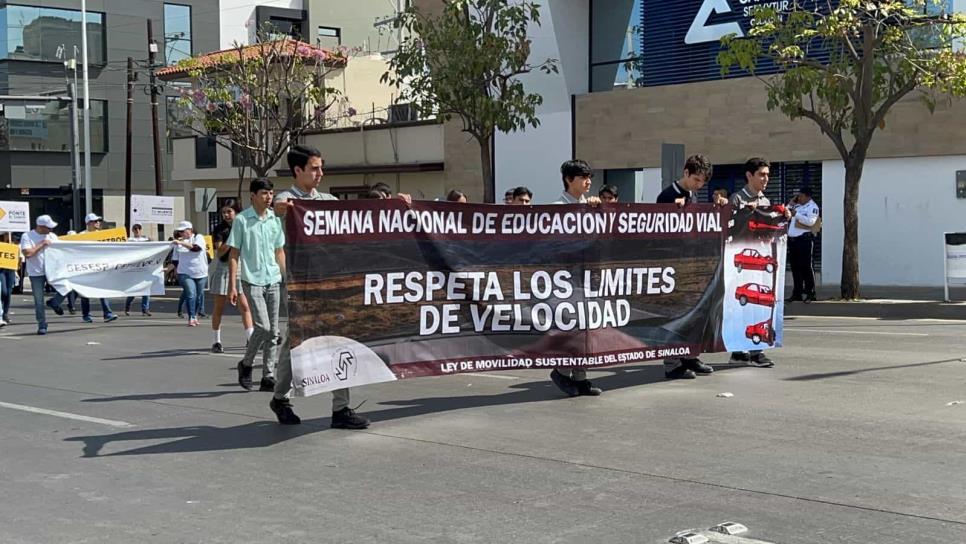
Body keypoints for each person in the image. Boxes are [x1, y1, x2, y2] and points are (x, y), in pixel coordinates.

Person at [269, 144, 370, 429]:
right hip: (301, 286)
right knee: (296, 343)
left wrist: (395, 205)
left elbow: (358, 220)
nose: (320, 173)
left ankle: (341, 409)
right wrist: (281, 208)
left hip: (331, 282)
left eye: (321, 167)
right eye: (314, 168)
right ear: (298, 170)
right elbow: (277, 208)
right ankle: (280, 397)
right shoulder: (288, 200)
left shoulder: (328, 199)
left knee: (339, 339)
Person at [655, 154, 722, 380]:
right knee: (674, 316)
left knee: (694, 314)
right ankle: (672, 363)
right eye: (696, 180)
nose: (698, 185)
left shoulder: (693, 196)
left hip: (691, 264)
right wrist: (673, 211)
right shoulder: (667, 196)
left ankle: (690, 355)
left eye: (702, 182)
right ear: (686, 173)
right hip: (673, 265)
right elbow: (658, 229)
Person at [548, 159, 603, 398]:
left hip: (586, 277)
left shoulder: (591, 205)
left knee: (586, 329)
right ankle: (561, 371)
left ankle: (581, 377)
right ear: (569, 180)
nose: (588, 181)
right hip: (565, 279)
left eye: (589, 176)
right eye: (582, 177)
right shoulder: (557, 208)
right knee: (569, 328)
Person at [729, 157, 790, 368]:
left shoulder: (765, 202)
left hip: (761, 260)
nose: (766, 179)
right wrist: (746, 210)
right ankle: (741, 349)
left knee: (761, 304)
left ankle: (755, 351)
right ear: (749, 176)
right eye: (761, 174)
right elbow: (730, 227)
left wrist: (783, 217)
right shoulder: (736, 199)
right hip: (741, 260)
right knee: (741, 307)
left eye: (767, 174)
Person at [229, 178, 285, 396]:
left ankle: (268, 376)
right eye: (264, 193)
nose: (269, 197)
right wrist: (233, 285)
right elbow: (234, 254)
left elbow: (279, 250)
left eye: (271, 193)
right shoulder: (242, 220)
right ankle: (247, 363)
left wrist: (285, 276)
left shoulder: (274, 220)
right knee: (264, 327)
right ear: (252, 195)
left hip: (273, 279)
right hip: (252, 279)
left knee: (274, 331)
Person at [209, 204, 254, 353]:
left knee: (245, 306)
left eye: (229, 211)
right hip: (223, 268)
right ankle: (216, 341)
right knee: (219, 307)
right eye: (224, 212)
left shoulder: (244, 225)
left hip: (240, 266)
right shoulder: (219, 229)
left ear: (236, 212)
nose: (226, 215)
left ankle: (251, 338)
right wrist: (232, 238)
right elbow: (220, 253)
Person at [19, 215, 66, 335]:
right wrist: (42, 244)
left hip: (53, 270)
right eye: (48, 227)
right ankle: (42, 324)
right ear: (40, 227)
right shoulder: (27, 236)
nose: (50, 230)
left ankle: (55, 302)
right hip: (36, 272)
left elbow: (61, 251)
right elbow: (27, 253)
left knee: (66, 287)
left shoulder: (53, 236)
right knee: (38, 300)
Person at [78, 213, 118, 323]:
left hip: (99, 268)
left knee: (102, 290)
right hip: (85, 268)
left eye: (98, 221)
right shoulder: (81, 236)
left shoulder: (102, 236)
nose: (98, 223)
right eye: (95, 221)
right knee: (85, 292)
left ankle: (107, 313)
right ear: (88, 223)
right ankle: (86, 315)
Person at [171, 221, 209, 327]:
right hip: (184, 273)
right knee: (191, 294)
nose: (181, 234)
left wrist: (181, 243)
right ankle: (191, 316)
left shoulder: (198, 237)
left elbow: (196, 248)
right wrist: (168, 269)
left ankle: (195, 314)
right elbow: (175, 261)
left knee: (199, 296)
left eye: (183, 231)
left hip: (200, 272)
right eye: (180, 232)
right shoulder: (177, 243)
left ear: (190, 230)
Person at [786, 186, 820, 303]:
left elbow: (811, 222)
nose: (798, 197)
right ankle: (797, 293)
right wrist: (790, 203)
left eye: (800, 195)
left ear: (807, 196)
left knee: (806, 267)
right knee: (795, 268)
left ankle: (810, 293)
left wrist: (797, 215)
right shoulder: (797, 205)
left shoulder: (813, 207)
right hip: (793, 241)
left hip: (804, 240)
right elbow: (786, 212)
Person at [124, 224, 153, 316]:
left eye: (139, 228)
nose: (137, 230)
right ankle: (127, 306)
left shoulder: (145, 240)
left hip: (144, 266)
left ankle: (145, 309)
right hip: (134, 267)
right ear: (132, 230)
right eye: (135, 229)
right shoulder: (129, 240)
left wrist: (151, 241)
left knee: (146, 288)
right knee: (134, 289)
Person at [0, 232, 16, 325]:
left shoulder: (11, 241)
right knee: (3, 291)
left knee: (8, 293)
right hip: (1, 269)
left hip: (10, 268)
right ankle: (1, 313)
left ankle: (5, 313)